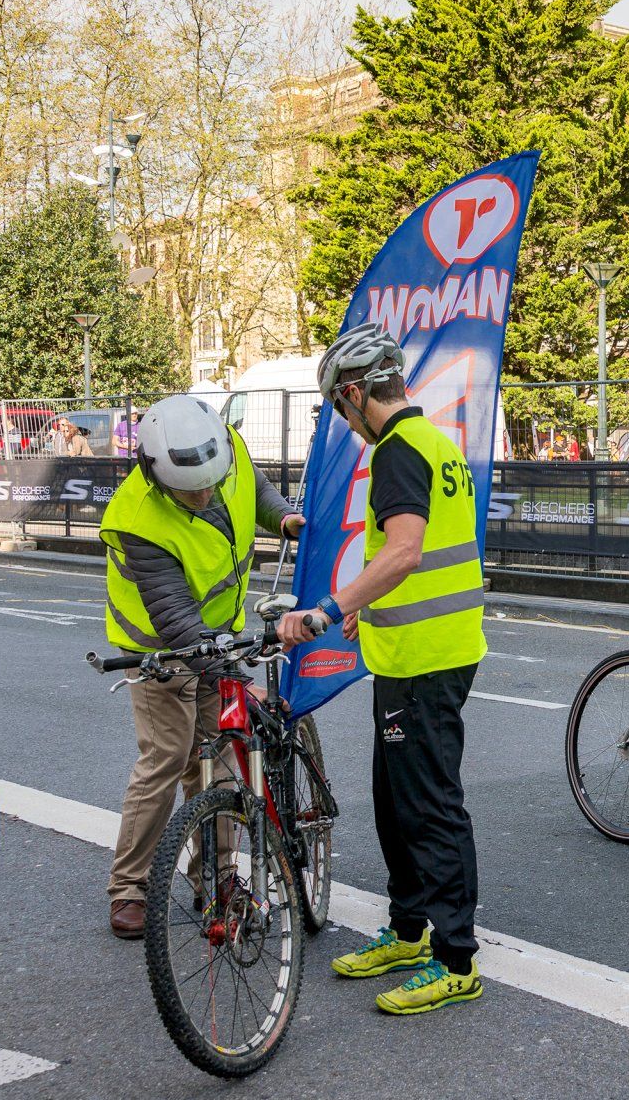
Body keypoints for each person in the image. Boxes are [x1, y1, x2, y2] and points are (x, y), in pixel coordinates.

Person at [276, 325, 487, 1016]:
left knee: (429, 805)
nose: (345, 421)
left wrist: (327, 610)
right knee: (396, 801)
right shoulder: (435, 442)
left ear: (355, 393)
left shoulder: (398, 451)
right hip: (421, 651)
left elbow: (403, 552)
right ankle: (406, 928)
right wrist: (375, 605)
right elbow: (424, 558)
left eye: (342, 408)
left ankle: (455, 958)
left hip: (427, 659)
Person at [96, 396, 302, 939]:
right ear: (155, 475)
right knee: (168, 758)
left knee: (215, 761)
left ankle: (215, 880)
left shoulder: (224, 449)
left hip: (218, 634)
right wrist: (228, 673)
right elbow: (173, 616)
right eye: (191, 491)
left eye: (211, 481)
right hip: (159, 648)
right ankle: (130, 887)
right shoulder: (137, 516)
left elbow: (254, 490)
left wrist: (283, 517)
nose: (206, 494)